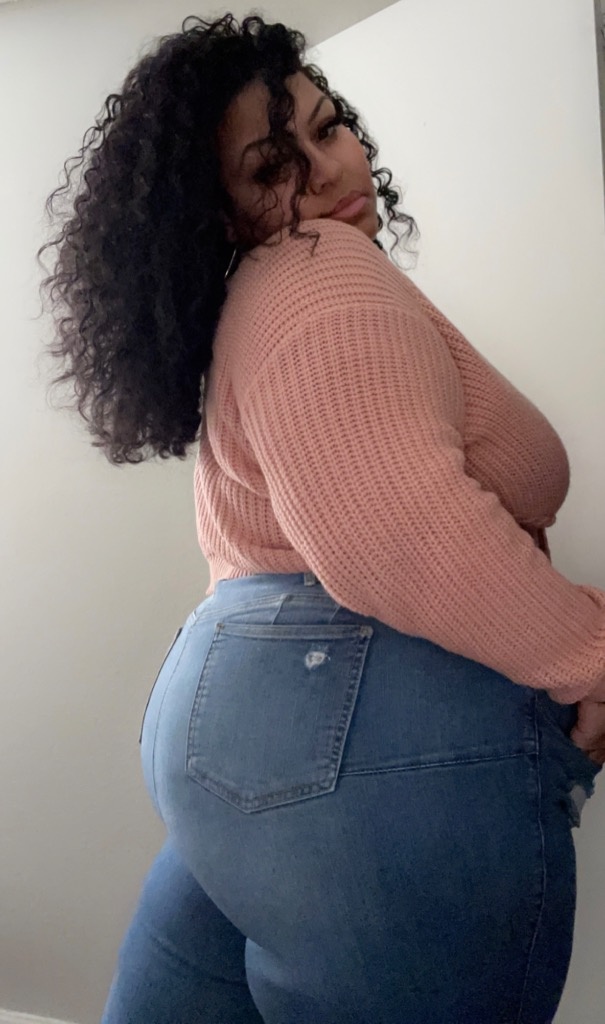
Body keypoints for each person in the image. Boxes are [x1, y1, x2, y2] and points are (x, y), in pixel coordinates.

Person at [36, 12, 605, 1024]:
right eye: (271, 167)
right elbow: (394, 533)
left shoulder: (260, 301)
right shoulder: (318, 273)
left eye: (328, 127)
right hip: (346, 716)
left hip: (228, 720)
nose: (329, 169)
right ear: (214, 214)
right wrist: (591, 652)